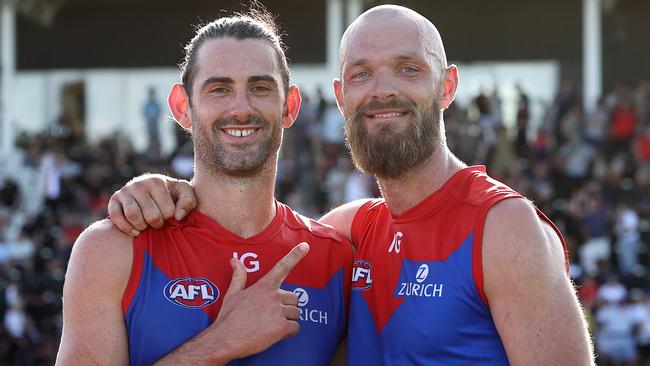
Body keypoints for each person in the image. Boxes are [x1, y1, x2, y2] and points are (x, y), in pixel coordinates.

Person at [108, 5, 594, 365]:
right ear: (341, 98)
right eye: (361, 74)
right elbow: (244, 221)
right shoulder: (347, 235)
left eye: (408, 68)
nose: (382, 89)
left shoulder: (504, 229)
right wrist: (164, 191)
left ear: (446, 86)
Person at [56, 10, 352, 366]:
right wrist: (221, 342)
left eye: (259, 88)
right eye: (219, 89)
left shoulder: (337, 260)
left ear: (289, 106)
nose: (241, 109)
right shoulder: (112, 249)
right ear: (182, 107)